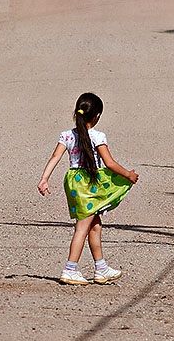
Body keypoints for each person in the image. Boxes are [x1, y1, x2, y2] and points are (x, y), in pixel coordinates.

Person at [37, 92, 139, 285]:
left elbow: (54, 158)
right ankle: (70, 269)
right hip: (89, 183)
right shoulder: (98, 136)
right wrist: (128, 175)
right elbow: (109, 163)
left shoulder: (66, 135)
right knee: (82, 227)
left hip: (74, 182)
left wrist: (44, 179)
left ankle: (101, 268)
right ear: (97, 116)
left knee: (95, 225)